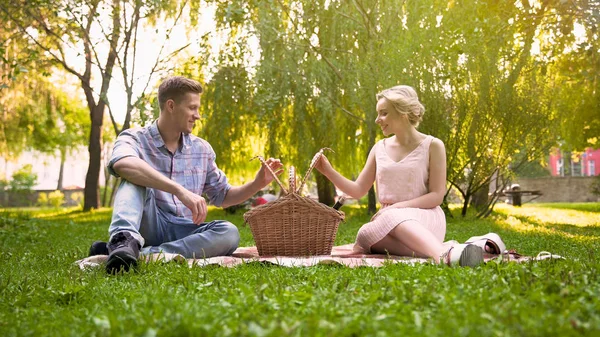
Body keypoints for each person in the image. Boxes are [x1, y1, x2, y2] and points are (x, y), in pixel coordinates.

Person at [88, 76, 283, 273]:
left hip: (184, 231)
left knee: (229, 233)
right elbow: (122, 164)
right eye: (192, 108)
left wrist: (258, 183)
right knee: (133, 178)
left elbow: (223, 197)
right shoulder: (134, 138)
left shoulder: (202, 149)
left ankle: (137, 253)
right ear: (171, 106)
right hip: (149, 222)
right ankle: (123, 240)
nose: (197, 115)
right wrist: (179, 190)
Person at [314, 85, 484, 267]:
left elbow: (436, 195)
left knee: (387, 220)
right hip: (386, 221)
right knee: (364, 235)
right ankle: (445, 251)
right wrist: (327, 171)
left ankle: (442, 255)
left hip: (425, 217)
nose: (377, 120)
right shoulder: (379, 148)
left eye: (384, 113)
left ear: (403, 112)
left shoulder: (433, 145)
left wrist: (397, 208)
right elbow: (358, 190)